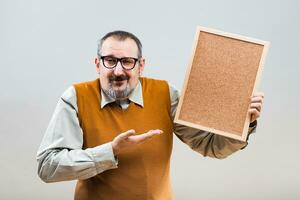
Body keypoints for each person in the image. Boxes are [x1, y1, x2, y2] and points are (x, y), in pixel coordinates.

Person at [36, 30, 264, 200]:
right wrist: (110, 151)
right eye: (110, 61)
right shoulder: (76, 97)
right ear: (98, 64)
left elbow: (211, 147)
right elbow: (47, 167)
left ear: (141, 65)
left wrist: (244, 123)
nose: (118, 71)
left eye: (127, 61)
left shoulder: (166, 95)